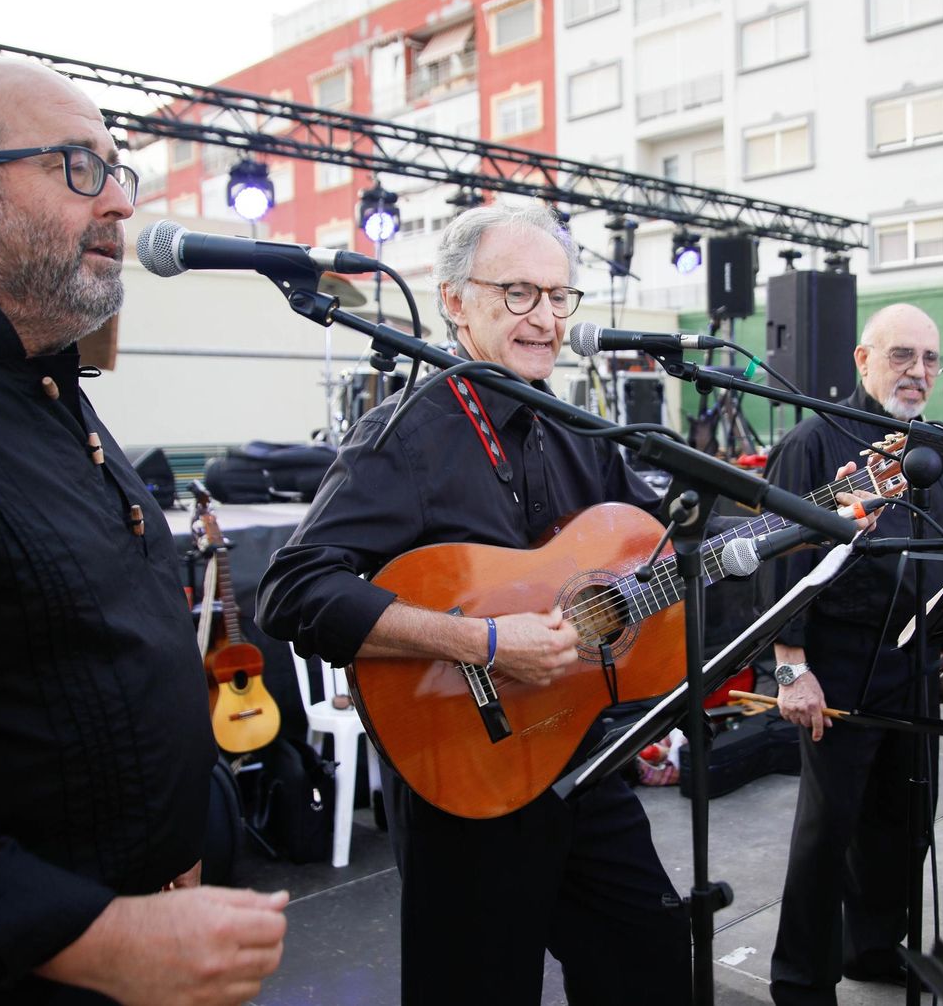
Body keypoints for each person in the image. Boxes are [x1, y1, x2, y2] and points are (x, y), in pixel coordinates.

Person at [0, 56, 288, 1004]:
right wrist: (93, 937)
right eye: (79, 167)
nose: (118, 202)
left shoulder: (41, 381)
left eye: (118, 171)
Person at [258, 204, 706, 1006]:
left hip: (577, 753)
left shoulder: (577, 431)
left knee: (652, 957)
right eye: (519, 293)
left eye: (559, 297)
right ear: (455, 301)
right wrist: (484, 642)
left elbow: (664, 549)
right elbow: (293, 590)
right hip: (460, 768)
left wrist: (810, 518)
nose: (546, 319)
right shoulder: (403, 434)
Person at [760, 304, 943, 1005]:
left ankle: (875, 948)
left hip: (913, 657)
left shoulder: (927, 445)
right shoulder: (814, 441)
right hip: (839, 660)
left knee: (904, 817)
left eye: (930, 359)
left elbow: (938, 557)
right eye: (901, 355)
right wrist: (791, 669)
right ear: (863, 359)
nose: (918, 371)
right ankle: (801, 982)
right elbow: (779, 568)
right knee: (828, 831)